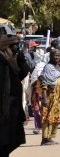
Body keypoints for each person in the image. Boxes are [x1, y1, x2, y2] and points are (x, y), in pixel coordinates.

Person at [0, 25, 33, 156]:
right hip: (4, 110)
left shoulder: (9, 60)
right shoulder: (2, 60)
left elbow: (19, 75)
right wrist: (4, 111)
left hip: (11, 108)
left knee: (11, 141)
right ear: (6, 45)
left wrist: (22, 62)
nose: (16, 49)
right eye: (14, 45)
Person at [37, 49, 60, 146]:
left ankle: (50, 137)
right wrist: (44, 98)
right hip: (49, 96)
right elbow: (44, 83)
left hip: (56, 97)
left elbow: (58, 83)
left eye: (58, 55)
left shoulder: (57, 67)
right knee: (47, 117)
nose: (56, 57)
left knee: (55, 118)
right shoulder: (48, 67)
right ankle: (45, 139)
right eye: (54, 55)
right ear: (50, 56)